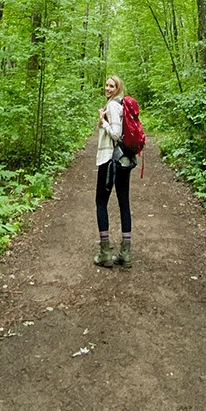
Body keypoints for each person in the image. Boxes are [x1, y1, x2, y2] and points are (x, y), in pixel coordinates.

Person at [94, 75, 134, 268]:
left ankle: (105, 253)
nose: (107, 88)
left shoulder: (113, 106)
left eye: (112, 86)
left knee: (101, 203)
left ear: (118, 88)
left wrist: (103, 122)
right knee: (123, 203)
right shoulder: (119, 105)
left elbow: (116, 135)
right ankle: (124, 254)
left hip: (110, 161)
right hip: (123, 162)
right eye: (107, 85)